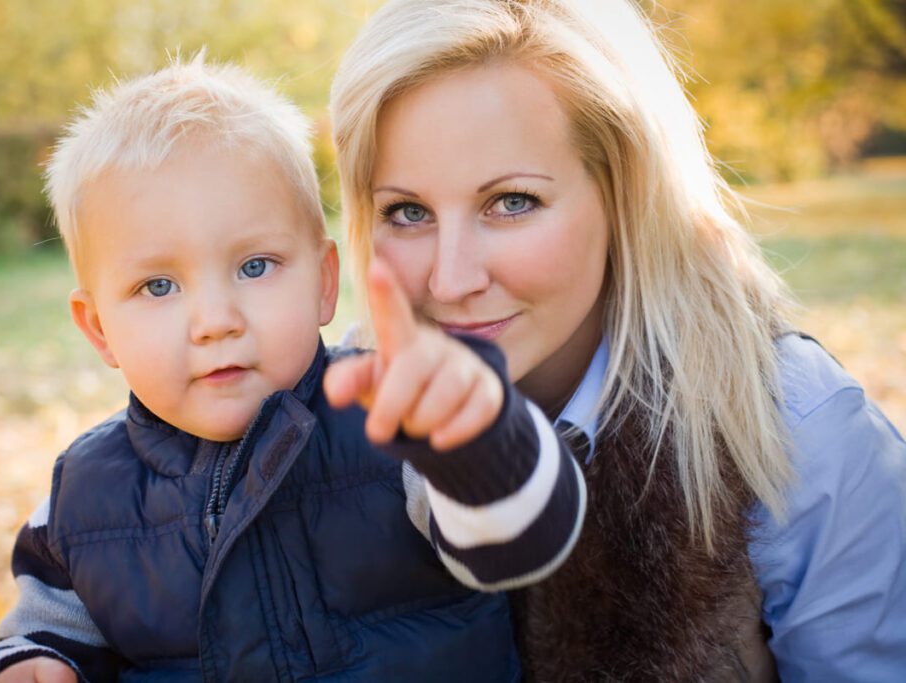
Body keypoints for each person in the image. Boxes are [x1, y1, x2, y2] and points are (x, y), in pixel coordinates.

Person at [327, 0, 906, 680]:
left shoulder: (796, 423)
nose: (451, 279)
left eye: (512, 201)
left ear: (624, 189)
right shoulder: (331, 424)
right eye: (407, 211)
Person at [0, 55, 586, 682]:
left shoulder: (386, 421)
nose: (215, 320)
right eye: (158, 286)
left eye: (254, 266)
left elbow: (522, 541)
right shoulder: (83, 494)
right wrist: (29, 663)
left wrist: (476, 440)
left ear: (323, 283)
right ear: (99, 329)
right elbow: (42, 631)